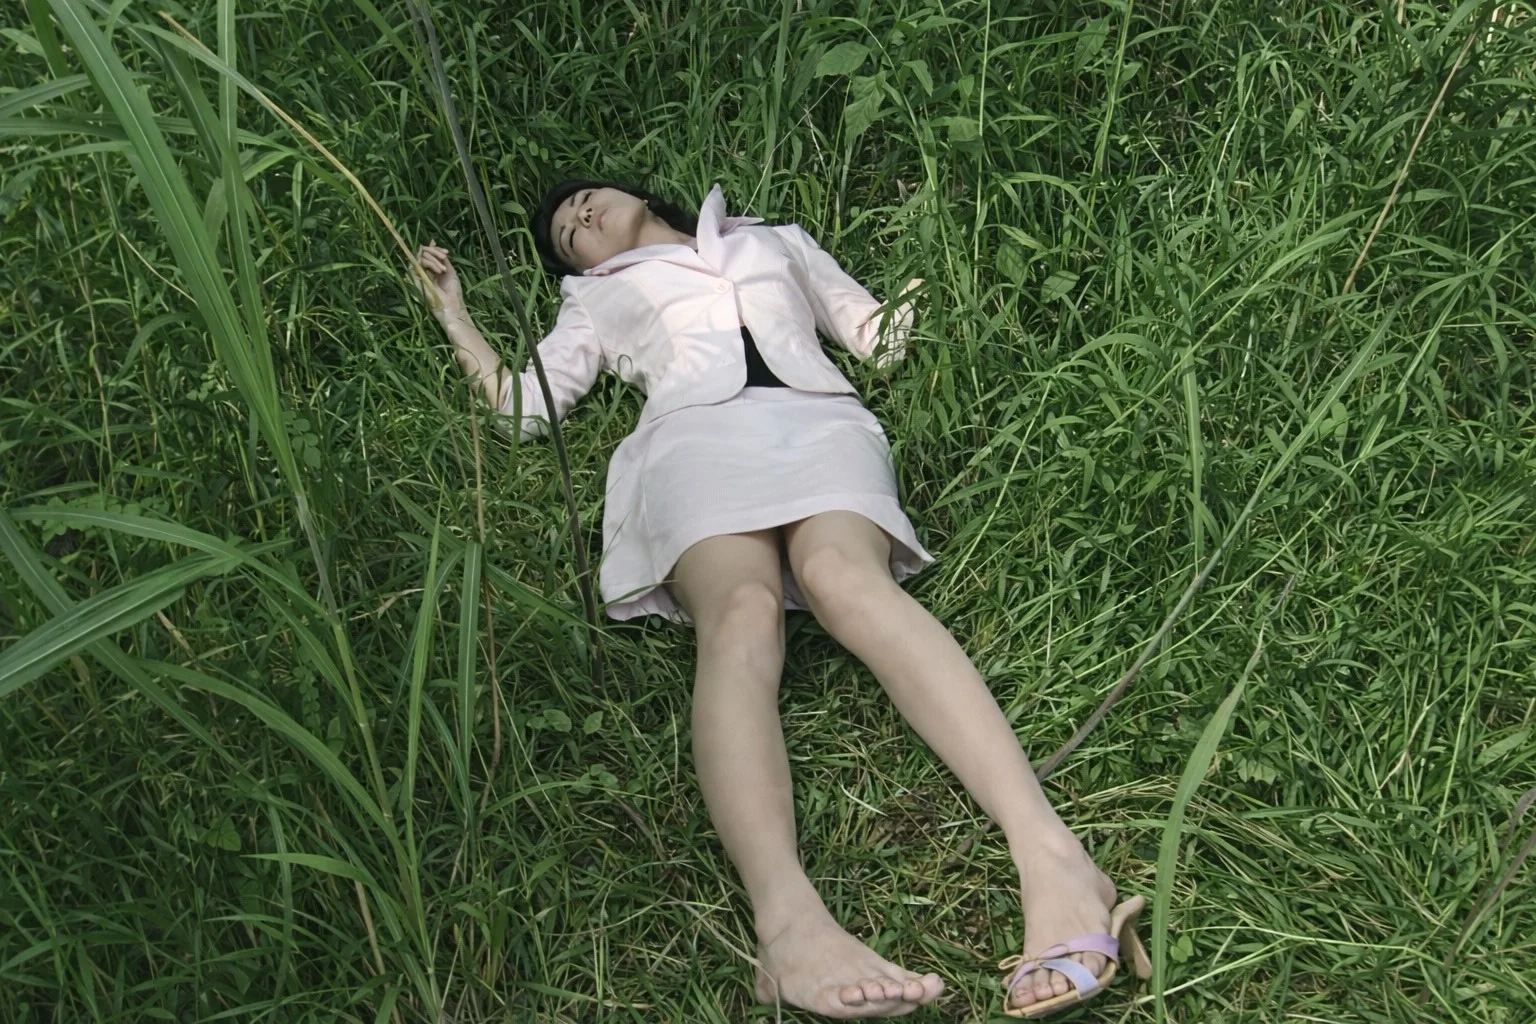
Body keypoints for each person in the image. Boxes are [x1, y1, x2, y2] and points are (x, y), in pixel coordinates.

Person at [412, 180, 1147, 1019]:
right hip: (693, 445)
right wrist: (456, 317)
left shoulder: (775, 238)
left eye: (584, 199)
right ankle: (788, 923)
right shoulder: (594, 298)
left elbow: (875, 335)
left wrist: (939, 234)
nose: (580, 217)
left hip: (818, 424)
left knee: (846, 579)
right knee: (742, 613)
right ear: (575, 266)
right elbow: (524, 409)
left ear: (633, 192)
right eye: (566, 233)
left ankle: (1052, 855)